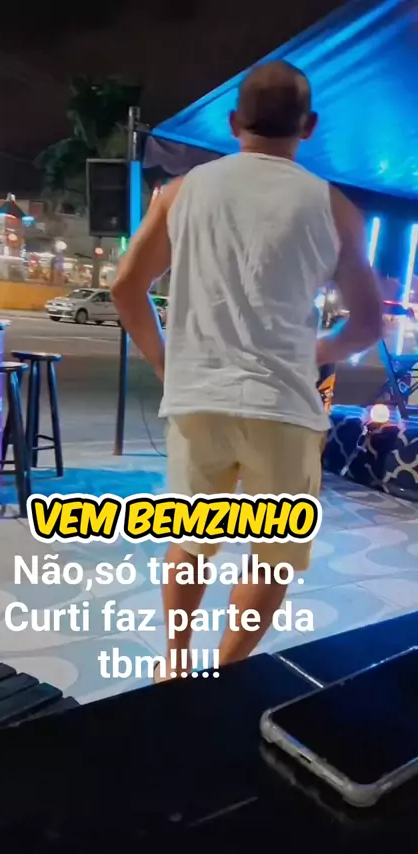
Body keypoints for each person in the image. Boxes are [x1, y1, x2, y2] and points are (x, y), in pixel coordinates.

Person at [112, 60, 383, 680]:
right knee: (272, 557)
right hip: (284, 408)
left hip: (198, 400)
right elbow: (366, 326)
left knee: (190, 541)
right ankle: (224, 677)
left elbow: (127, 288)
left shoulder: (182, 192)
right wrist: (311, 352)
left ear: (235, 123)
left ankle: (174, 666)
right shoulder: (336, 208)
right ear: (309, 126)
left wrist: (167, 363)